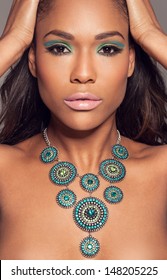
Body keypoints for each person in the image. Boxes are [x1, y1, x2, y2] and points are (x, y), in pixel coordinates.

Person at [0, 0, 167, 260]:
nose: (83, 73)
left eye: (108, 49)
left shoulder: (162, 170)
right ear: (33, 61)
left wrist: (151, 34)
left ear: (130, 61)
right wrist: (14, 40)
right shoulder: (4, 170)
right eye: (59, 48)